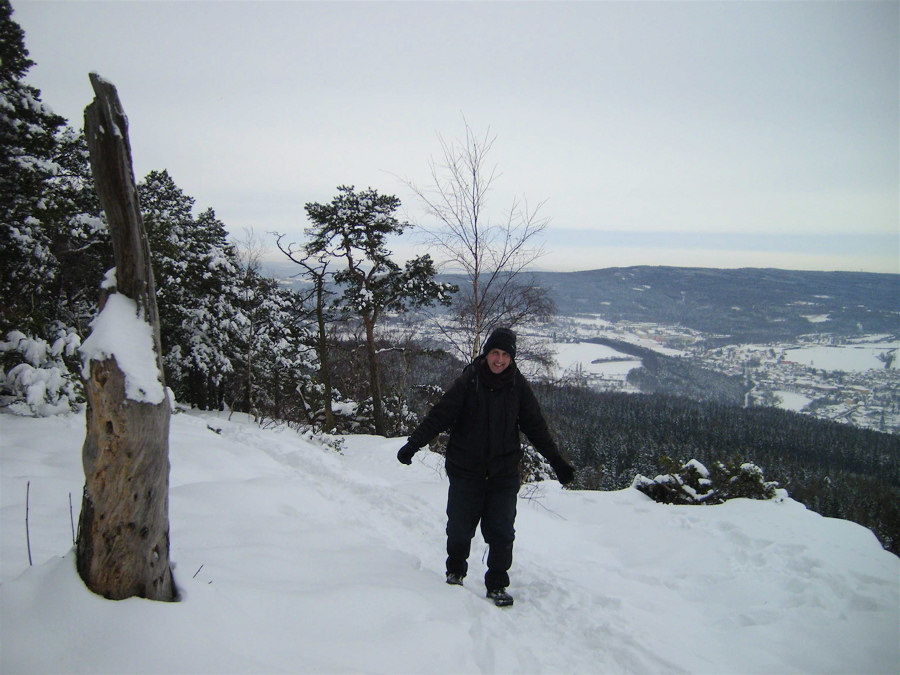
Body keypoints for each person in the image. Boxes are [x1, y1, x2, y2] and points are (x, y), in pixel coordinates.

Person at [397, 327, 575, 607]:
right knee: (459, 528)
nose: (499, 360)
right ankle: (455, 571)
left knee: (502, 532)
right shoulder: (470, 381)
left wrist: (557, 462)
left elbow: (536, 428)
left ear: (512, 358)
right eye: (495, 353)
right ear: (487, 353)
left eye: (505, 355)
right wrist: (413, 445)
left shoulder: (518, 387)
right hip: (466, 470)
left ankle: (497, 584)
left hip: (503, 473)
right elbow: (440, 416)